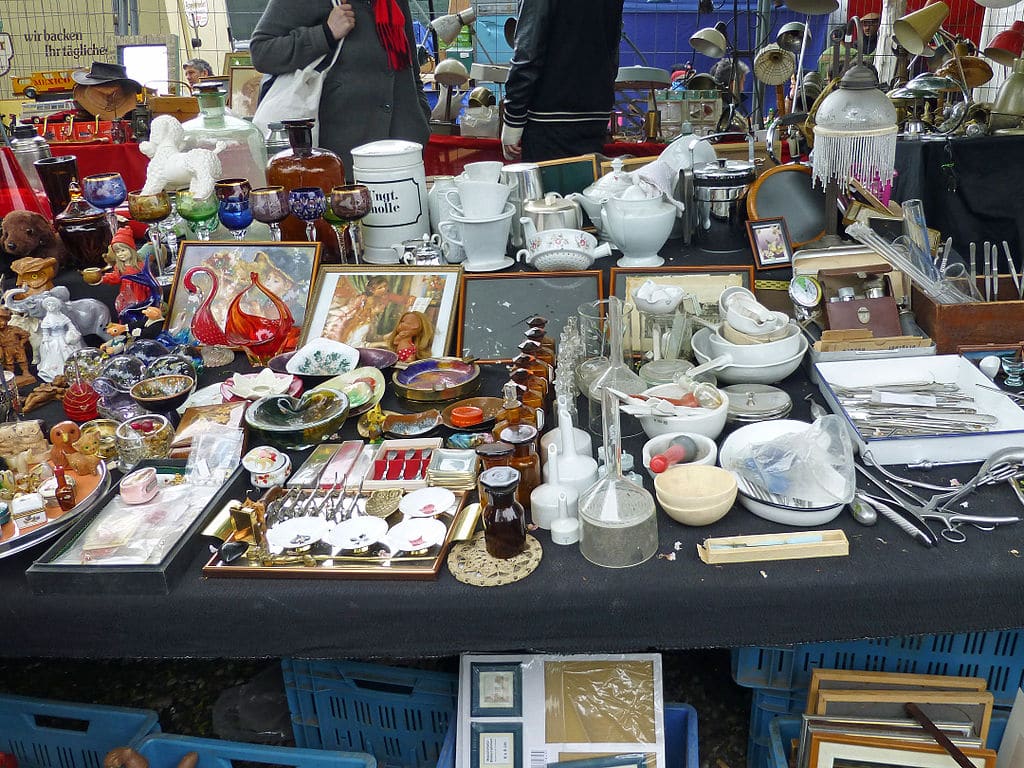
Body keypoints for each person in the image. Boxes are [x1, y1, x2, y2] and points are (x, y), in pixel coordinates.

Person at [250, 0, 430, 180]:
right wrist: (326, 33)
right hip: (341, 161)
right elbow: (262, 52)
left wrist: (419, 120)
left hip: (405, 156)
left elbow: (411, 69)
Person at [500, 0, 623, 162]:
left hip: (549, 122)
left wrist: (513, 119)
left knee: (550, 186)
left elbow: (528, 54)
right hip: (595, 118)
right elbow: (613, 49)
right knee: (588, 185)